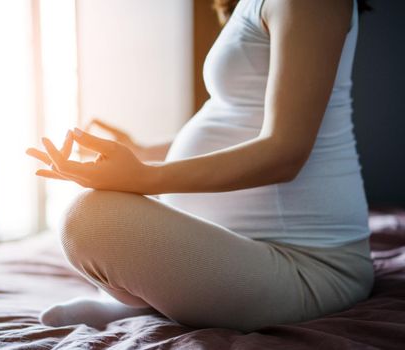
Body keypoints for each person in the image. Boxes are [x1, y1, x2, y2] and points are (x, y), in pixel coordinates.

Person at [26, 0, 374, 332]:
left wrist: (146, 177)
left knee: (90, 219)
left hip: (309, 266)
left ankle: (149, 302)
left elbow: (285, 152)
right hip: (245, 246)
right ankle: (152, 301)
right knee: (95, 213)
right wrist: (143, 151)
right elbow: (241, 117)